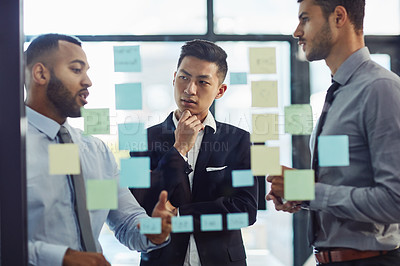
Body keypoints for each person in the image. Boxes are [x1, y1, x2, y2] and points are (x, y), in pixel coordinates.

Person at [267, 0, 400, 265]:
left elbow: (395, 200)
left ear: (338, 17)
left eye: (305, 19)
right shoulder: (339, 93)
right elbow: (346, 182)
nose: (297, 31)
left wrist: (308, 191)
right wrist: (300, 194)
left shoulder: (380, 89)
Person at [25, 33, 173, 266]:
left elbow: (126, 221)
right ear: (41, 73)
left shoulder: (96, 152)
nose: (88, 81)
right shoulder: (11, 150)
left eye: (87, 71)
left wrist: (153, 229)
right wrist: (61, 258)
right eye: (76, 70)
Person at [130, 39, 258, 265]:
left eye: (202, 82)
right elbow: (138, 204)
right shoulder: (142, 140)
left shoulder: (238, 140)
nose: (190, 89)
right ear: (173, 78)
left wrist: (180, 215)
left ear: (220, 90)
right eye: (184, 77)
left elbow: (245, 209)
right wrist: (179, 149)